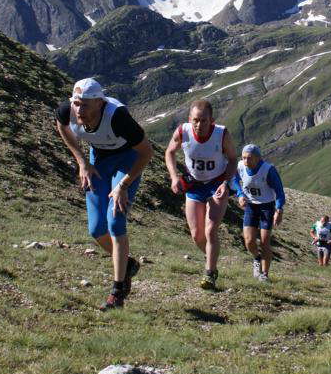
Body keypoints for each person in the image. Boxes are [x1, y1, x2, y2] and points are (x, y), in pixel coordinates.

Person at [55, 78, 153, 310]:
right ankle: (127, 263)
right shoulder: (66, 111)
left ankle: (117, 292)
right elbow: (62, 127)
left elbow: (146, 152)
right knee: (96, 228)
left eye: (85, 105)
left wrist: (123, 185)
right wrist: (81, 161)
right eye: (77, 103)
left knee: (115, 221)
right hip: (99, 159)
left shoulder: (118, 118)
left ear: (100, 103)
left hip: (128, 160)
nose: (79, 109)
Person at [165, 100, 237, 290]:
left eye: (204, 121)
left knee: (210, 230)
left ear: (211, 120)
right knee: (197, 235)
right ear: (190, 119)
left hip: (216, 183)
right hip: (194, 184)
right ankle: (210, 257)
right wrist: (174, 178)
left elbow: (232, 159)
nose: (199, 125)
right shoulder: (183, 131)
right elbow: (169, 152)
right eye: (196, 120)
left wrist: (226, 182)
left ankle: (210, 274)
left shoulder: (222, 134)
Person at [230, 144, 285, 282]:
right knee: (248, 241)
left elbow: (279, 192)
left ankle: (264, 275)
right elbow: (234, 180)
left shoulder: (268, 170)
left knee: (265, 241)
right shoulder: (240, 166)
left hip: (267, 207)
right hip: (251, 206)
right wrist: (240, 194)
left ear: (258, 158)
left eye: (249, 158)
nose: (246, 161)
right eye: (243, 158)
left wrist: (279, 210)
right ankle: (256, 258)